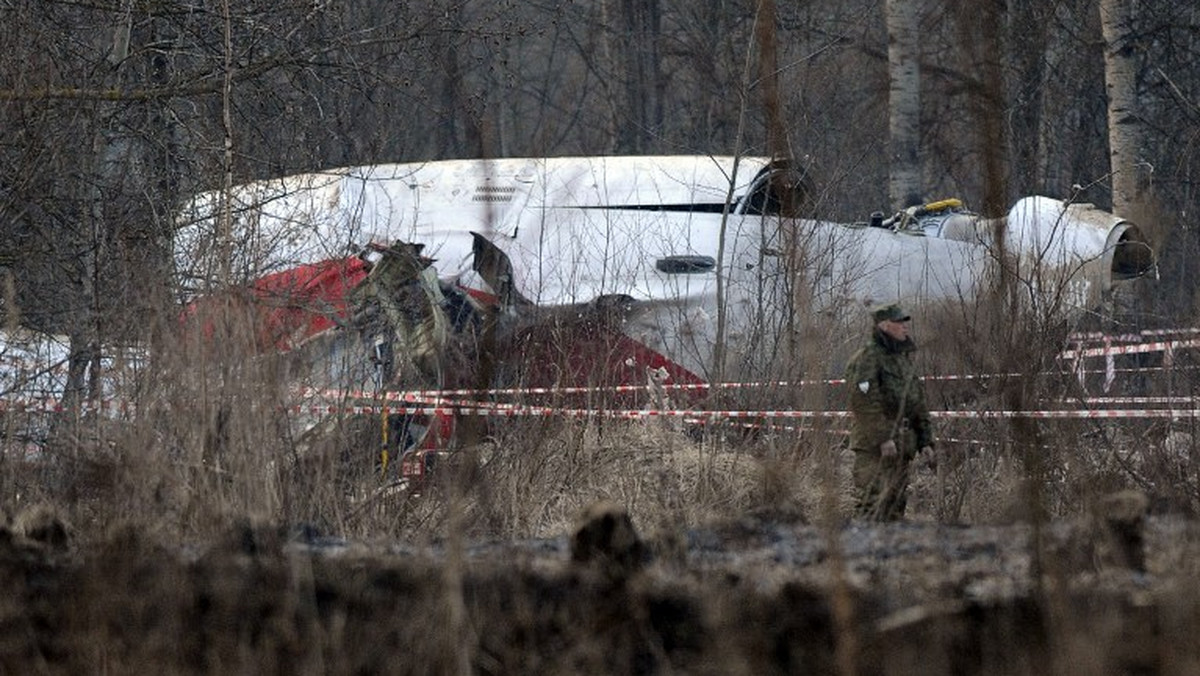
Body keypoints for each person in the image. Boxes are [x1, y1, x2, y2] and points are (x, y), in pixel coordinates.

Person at [844, 303, 934, 521]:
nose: (905, 327)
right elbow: (864, 403)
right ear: (884, 326)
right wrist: (883, 438)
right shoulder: (867, 358)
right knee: (873, 505)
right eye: (899, 322)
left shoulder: (902, 360)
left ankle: (891, 553)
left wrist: (926, 440)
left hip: (902, 445)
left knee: (896, 505)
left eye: (905, 322)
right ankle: (864, 552)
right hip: (874, 449)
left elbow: (917, 401)